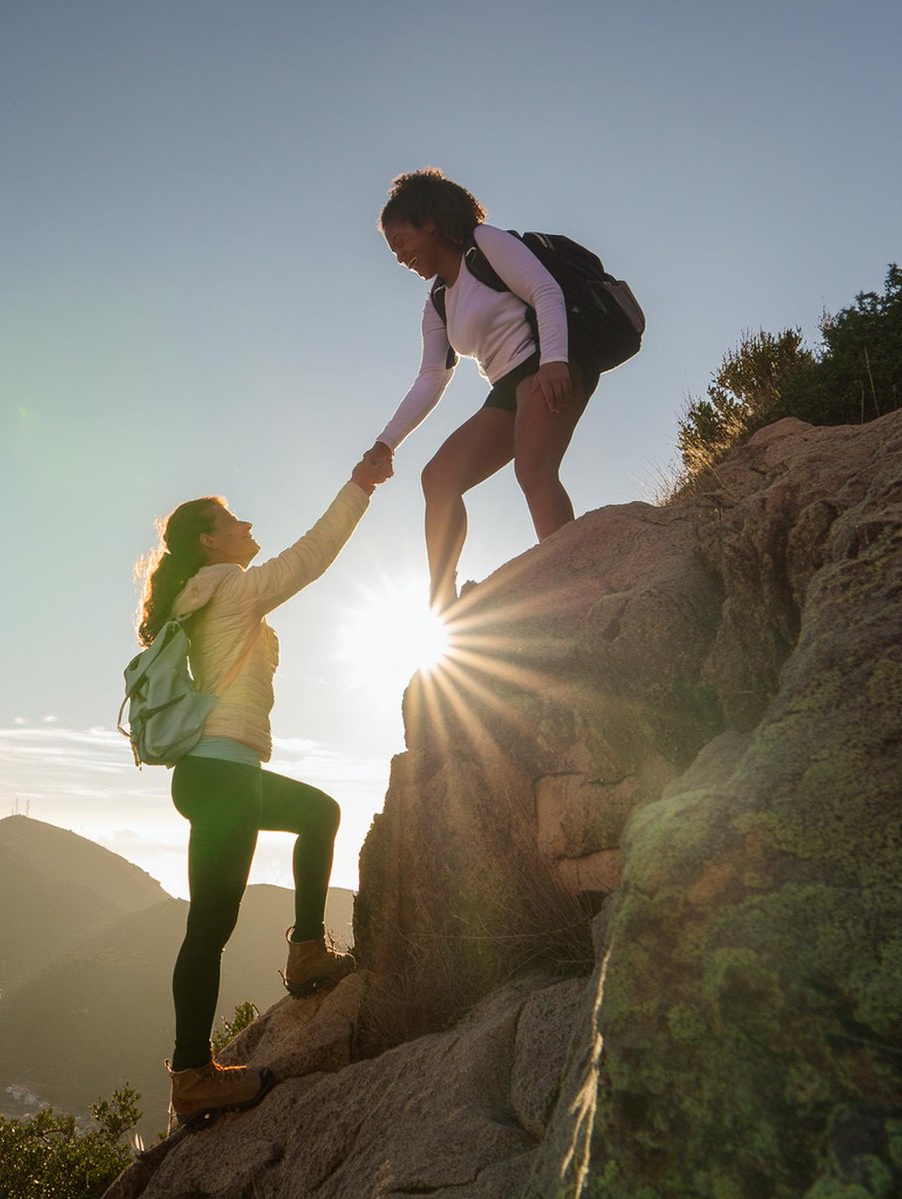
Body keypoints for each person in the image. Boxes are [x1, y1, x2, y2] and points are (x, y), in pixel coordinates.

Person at [135, 451, 391, 1129]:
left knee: (227, 909)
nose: (247, 524)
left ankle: (303, 956)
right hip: (221, 776)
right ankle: (195, 1073)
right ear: (207, 541)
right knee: (215, 923)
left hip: (218, 776)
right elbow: (312, 556)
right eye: (230, 519)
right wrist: (359, 487)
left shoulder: (210, 594)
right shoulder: (228, 586)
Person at [366, 168, 601, 612]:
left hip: (548, 361)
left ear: (429, 223)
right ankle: (442, 603)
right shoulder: (437, 303)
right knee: (438, 479)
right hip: (506, 388)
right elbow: (431, 378)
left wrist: (554, 360)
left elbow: (544, 290)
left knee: (534, 471)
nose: (399, 257)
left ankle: (577, 585)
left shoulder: (485, 243)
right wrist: (385, 443)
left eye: (401, 242)